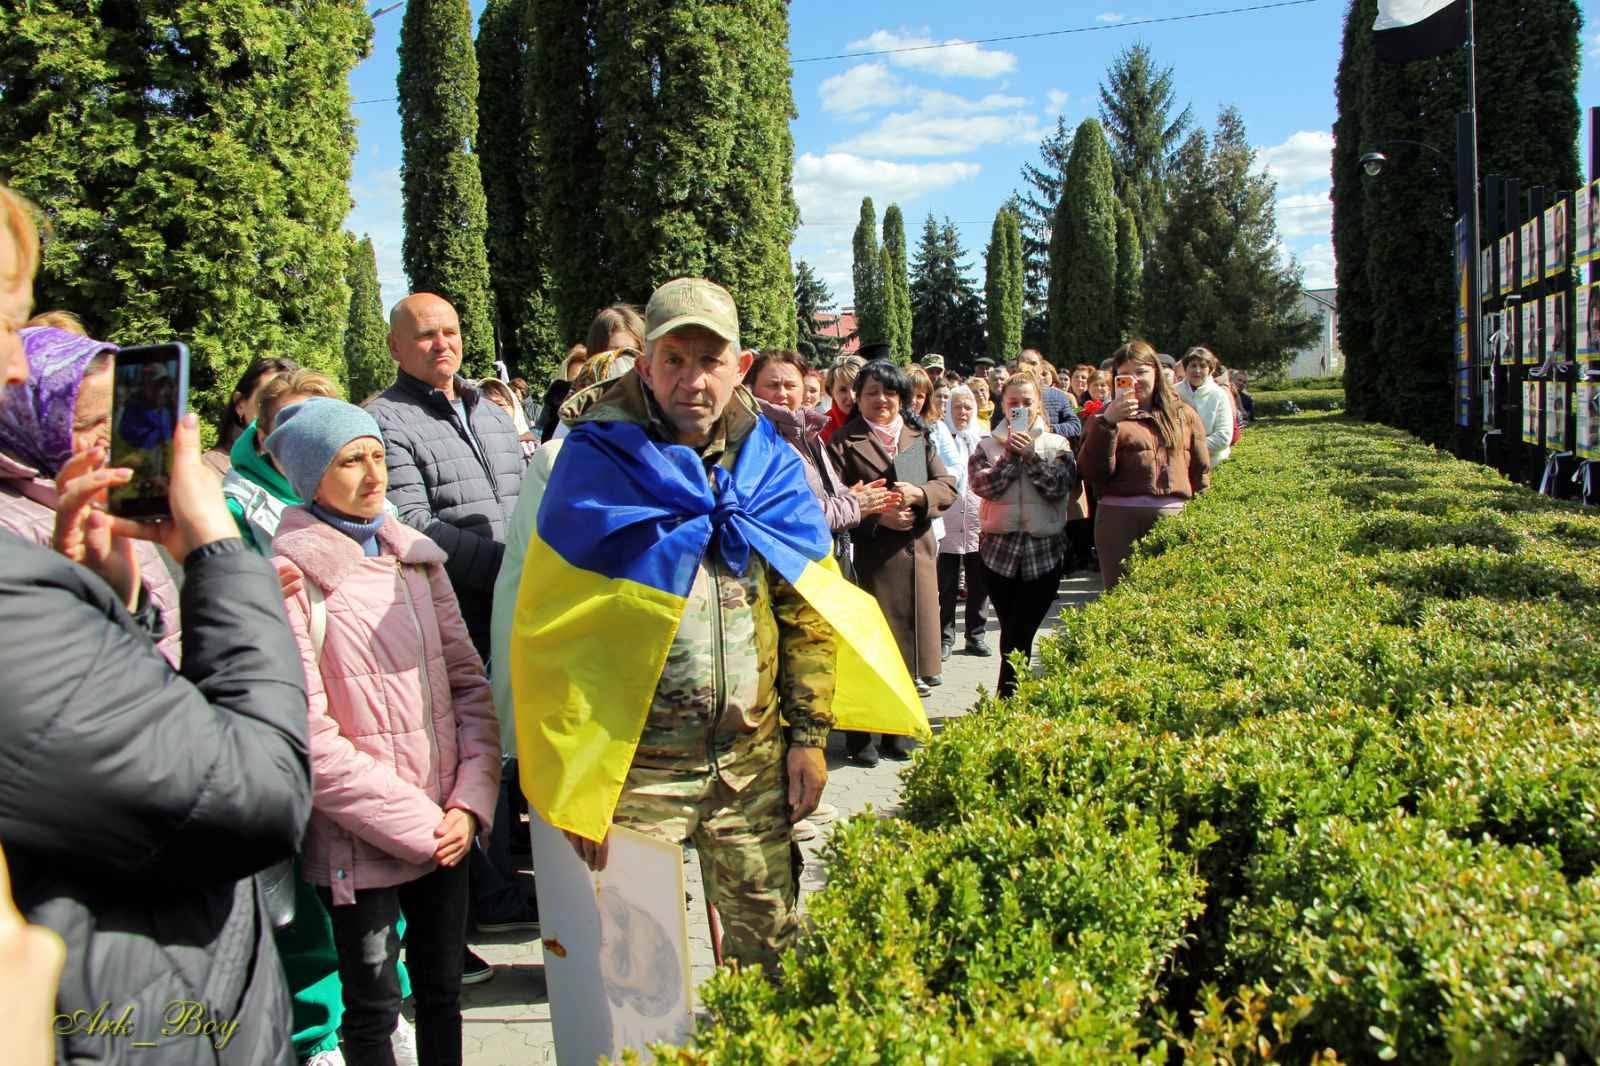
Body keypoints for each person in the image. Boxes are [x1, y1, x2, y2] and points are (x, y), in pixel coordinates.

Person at [508, 277, 923, 975]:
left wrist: (811, 741)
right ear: (646, 364)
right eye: (674, 359)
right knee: (633, 984)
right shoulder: (594, 465)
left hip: (753, 765)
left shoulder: (772, 467)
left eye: (710, 360)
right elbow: (558, 635)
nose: (692, 379)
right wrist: (582, 779)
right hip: (637, 774)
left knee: (769, 966)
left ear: (740, 365)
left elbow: (806, 616)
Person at [1, 173, 312, 1066]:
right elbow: (253, 791)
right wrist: (220, 552)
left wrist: (111, 604)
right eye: (7, 327)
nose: (18, 366)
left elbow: (91, 743)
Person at [265, 398, 500, 1066]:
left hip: (447, 826)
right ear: (312, 478)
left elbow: (469, 689)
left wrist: (469, 801)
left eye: (377, 456)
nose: (373, 475)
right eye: (350, 461)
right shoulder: (292, 577)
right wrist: (421, 821)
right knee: (372, 1010)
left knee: (442, 994)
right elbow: (308, 735)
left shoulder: (417, 561)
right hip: (361, 838)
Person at [364, 292, 531, 978]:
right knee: (473, 749)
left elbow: (525, 502)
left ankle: (510, 878)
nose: (442, 345)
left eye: (452, 332)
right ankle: (486, 892)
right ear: (397, 348)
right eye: (425, 336)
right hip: (456, 609)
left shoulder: (491, 413)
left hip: (518, 605)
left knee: (515, 741)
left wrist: (532, 572)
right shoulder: (386, 419)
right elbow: (413, 521)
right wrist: (511, 571)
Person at [0, 326, 183, 665]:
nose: (110, 436)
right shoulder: (11, 530)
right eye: (89, 423)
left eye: (118, 415)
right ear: (27, 420)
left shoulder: (109, 491)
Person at [830, 359, 956, 754]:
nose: (880, 400)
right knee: (870, 649)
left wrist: (920, 497)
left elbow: (946, 485)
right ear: (857, 399)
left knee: (906, 647)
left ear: (901, 397)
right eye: (871, 392)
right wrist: (875, 517)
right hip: (871, 560)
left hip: (916, 556)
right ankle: (862, 734)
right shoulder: (843, 441)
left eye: (889, 392)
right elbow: (835, 502)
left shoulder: (915, 436)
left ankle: (898, 730)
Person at [969, 373, 1077, 697]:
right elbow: (983, 486)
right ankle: (1012, 698)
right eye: (1013, 403)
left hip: (1043, 552)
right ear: (1003, 405)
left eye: (1027, 402)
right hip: (998, 553)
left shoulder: (1057, 444)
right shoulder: (987, 445)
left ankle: (1008, 697)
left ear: (1038, 405)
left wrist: (1030, 455)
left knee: (1023, 630)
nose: (1020, 408)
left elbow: (1059, 487)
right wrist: (1009, 457)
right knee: (1010, 630)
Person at [1079, 340, 1211, 590]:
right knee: (1120, 596)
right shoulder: (1102, 418)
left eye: (1141, 372)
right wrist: (1107, 424)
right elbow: (1092, 472)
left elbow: (1200, 469)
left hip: (1170, 517)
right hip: (1118, 521)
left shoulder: (1183, 414)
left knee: (1171, 596)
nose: (1135, 380)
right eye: (1125, 375)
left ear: (1156, 373)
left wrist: (1200, 515)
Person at [222, 368, 342, 552]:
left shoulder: (365, 488)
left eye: (322, 425)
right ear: (264, 440)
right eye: (290, 428)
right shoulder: (234, 513)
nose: (309, 439)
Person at [936, 385, 990, 660]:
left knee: (979, 583)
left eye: (968, 407)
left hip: (979, 519)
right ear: (948, 409)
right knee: (945, 585)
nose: (963, 412)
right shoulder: (938, 437)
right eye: (957, 407)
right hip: (946, 521)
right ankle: (945, 636)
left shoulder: (985, 437)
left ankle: (976, 635)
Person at [205, 356, 298, 478]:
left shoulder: (303, 474)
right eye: (266, 401)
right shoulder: (209, 472)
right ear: (240, 405)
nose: (278, 414)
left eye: (291, 407)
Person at [993, 349, 1081, 440]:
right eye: (1023, 362)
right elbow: (995, 428)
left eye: (1033, 363)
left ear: (1041, 368)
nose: (1028, 366)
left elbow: (1075, 426)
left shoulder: (1059, 396)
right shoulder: (1005, 395)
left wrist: (1050, 429)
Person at [1177, 347, 1235, 464]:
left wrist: (1191, 445)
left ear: (1210, 370)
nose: (1197, 370)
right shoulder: (1173, 392)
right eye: (1193, 365)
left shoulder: (1219, 395)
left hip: (1213, 461)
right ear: (1185, 368)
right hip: (1179, 460)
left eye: (1203, 366)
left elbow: (1224, 437)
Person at [536, 344, 589, 444]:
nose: (578, 388)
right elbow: (540, 430)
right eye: (572, 382)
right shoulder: (553, 403)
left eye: (584, 381)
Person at [478, 378, 536, 461]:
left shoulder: (533, 449)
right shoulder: (471, 450)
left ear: (514, 408)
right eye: (485, 405)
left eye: (500, 404)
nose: (493, 410)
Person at [821, 355, 864, 442]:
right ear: (831, 391)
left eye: (857, 388)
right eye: (843, 390)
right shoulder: (821, 429)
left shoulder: (881, 421)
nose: (852, 396)